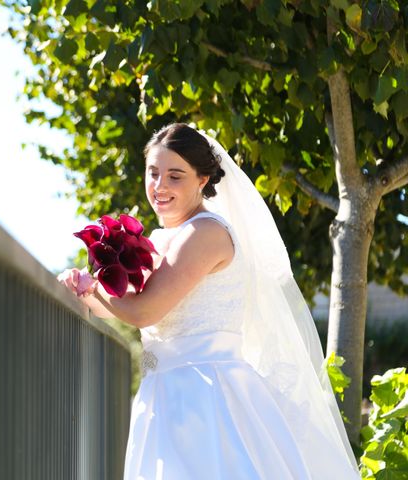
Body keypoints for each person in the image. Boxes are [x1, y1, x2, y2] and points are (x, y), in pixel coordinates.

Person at [58, 123, 360, 479]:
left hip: (205, 398)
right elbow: (129, 309)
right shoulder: (163, 237)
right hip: (167, 393)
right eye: (153, 173)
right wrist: (80, 287)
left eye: (175, 176)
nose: (159, 186)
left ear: (202, 179)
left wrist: (95, 290)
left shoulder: (204, 234)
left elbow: (144, 312)